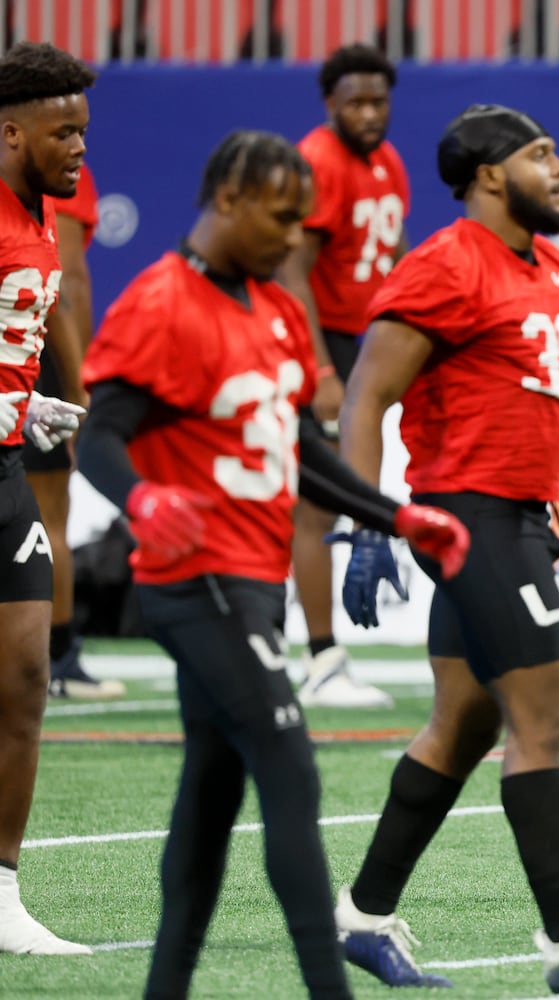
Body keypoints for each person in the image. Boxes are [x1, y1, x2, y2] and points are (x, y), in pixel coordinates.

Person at [74, 129, 469, 998]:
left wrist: (395, 514)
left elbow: (297, 440)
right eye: (281, 217)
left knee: (210, 799)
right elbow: (101, 435)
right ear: (226, 199)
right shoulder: (160, 301)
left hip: (254, 580)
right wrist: (141, 499)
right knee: (291, 768)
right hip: (194, 579)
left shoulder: (278, 308)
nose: (296, 236)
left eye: (303, 219)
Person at [330, 103, 559, 994]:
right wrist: (366, 521)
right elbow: (367, 396)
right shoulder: (445, 264)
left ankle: (363, 917)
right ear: (489, 174)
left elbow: (534, 402)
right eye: (540, 154)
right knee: (542, 723)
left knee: (464, 725)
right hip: (473, 519)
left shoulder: (555, 269)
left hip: (516, 515)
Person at [279, 43, 409, 709]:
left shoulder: (388, 162)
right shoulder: (320, 161)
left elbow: (390, 253)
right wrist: (321, 365)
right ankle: (321, 656)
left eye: (378, 100)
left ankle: (298, 645)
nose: (368, 112)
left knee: (342, 489)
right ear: (330, 104)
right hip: (319, 339)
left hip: (363, 338)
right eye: (355, 101)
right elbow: (292, 270)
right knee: (317, 498)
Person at [0, 41, 95, 957]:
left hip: (1, 474)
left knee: (25, 677)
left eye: (84, 132)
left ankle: (1, 896)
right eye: (63, 133)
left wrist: (23, 403)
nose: (78, 151)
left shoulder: (39, 219)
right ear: (11, 130)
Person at [31, 162, 124, 701]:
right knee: (46, 519)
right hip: (29, 361)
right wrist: (80, 384)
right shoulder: (50, 175)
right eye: (67, 129)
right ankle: (58, 654)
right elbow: (66, 286)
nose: (77, 144)